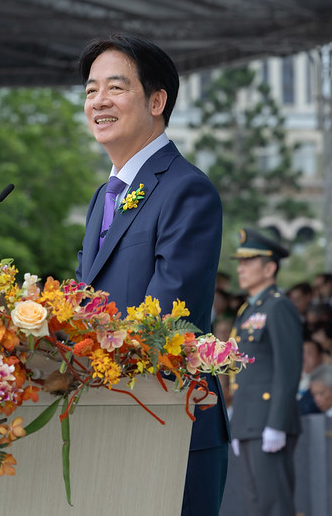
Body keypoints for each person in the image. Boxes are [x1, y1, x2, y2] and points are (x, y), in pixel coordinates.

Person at [74, 33, 227, 516]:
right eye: (91, 90)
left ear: (157, 102)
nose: (99, 100)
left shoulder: (186, 189)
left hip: (170, 422)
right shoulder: (105, 196)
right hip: (111, 418)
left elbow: (167, 318)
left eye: (115, 87)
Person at [229, 228, 303, 516]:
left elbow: (288, 369)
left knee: (274, 505)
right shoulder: (248, 310)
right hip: (249, 422)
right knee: (257, 505)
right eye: (240, 262)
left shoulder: (278, 306)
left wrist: (277, 424)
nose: (241, 268)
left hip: (268, 421)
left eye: (249, 262)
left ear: (270, 268)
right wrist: (238, 422)